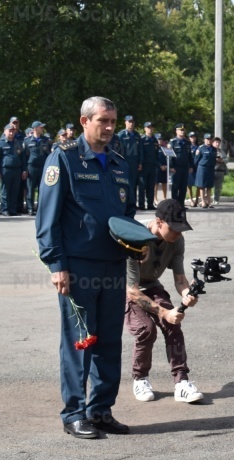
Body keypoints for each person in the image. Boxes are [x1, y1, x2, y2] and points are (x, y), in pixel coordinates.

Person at [35, 96, 135, 439]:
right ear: (84, 121)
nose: (108, 127)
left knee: (109, 341)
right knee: (81, 341)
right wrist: (56, 264)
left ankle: (101, 409)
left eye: (112, 122)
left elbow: (127, 217)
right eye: (102, 121)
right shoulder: (63, 159)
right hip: (78, 267)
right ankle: (74, 413)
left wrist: (139, 242)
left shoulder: (121, 163)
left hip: (113, 265)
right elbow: (47, 219)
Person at [125, 199, 205, 403]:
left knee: (173, 324)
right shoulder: (134, 238)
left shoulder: (176, 240)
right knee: (146, 329)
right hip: (124, 289)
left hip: (151, 284)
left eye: (182, 228)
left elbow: (179, 279)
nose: (179, 233)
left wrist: (187, 293)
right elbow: (133, 291)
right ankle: (140, 378)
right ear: (159, 222)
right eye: (175, 228)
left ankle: (182, 383)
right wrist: (164, 312)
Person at [23, 121, 50, 215]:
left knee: (41, 188)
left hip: (43, 167)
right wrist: (25, 169)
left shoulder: (46, 140)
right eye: (40, 127)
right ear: (35, 129)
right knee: (30, 188)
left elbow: (49, 154)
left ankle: (40, 208)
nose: (42, 129)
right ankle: (30, 208)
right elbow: (24, 156)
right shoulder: (27, 141)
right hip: (31, 167)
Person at [1, 123, 27, 216]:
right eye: (9, 131)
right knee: (5, 190)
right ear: (5, 132)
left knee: (15, 190)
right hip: (6, 170)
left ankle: (12, 209)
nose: (11, 133)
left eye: (13, 131)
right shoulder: (1, 143)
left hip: (17, 170)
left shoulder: (18, 143)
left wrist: (24, 170)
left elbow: (23, 158)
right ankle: (4, 209)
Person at [118, 115, 142, 208]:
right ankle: (124, 202)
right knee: (124, 183)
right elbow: (118, 150)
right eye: (129, 122)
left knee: (134, 184)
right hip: (125, 162)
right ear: (125, 122)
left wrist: (140, 162)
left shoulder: (137, 135)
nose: (131, 123)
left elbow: (140, 150)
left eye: (132, 122)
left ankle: (133, 203)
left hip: (135, 163)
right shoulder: (121, 135)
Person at [169, 124, 193, 206]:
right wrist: (171, 166)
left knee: (183, 187)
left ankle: (181, 204)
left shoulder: (187, 143)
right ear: (176, 131)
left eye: (183, 130)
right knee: (175, 187)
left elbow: (190, 156)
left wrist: (191, 166)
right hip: (176, 167)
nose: (182, 131)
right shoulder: (173, 142)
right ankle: (175, 205)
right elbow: (170, 156)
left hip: (185, 167)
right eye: (180, 130)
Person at [139, 122, 159, 210]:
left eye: (151, 127)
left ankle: (150, 204)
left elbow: (157, 153)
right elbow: (140, 153)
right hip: (144, 165)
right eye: (148, 127)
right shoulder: (142, 139)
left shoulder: (155, 140)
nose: (150, 129)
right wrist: (140, 163)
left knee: (151, 186)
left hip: (152, 165)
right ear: (145, 129)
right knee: (142, 185)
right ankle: (141, 205)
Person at [192, 134, 216, 208]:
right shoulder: (200, 148)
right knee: (202, 186)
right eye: (207, 139)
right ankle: (203, 201)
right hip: (202, 168)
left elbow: (214, 159)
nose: (209, 140)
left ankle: (208, 201)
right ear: (204, 140)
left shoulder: (214, 149)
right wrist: (195, 168)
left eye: (210, 139)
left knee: (209, 186)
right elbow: (196, 160)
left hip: (210, 168)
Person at [211, 137, 228, 206]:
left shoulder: (221, 151)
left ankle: (216, 199)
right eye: (216, 142)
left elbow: (226, 159)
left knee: (218, 187)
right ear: (213, 143)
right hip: (211, 170)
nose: (217, 144)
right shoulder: (210, 150)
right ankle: (207, 199)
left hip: (220, 171)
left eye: (218, 142)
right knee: (208, 186)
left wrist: (222, 160)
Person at [155, 133, 169, 204]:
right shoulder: (155, 148)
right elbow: (155, 158)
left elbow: (168, 158)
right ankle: (155, 198)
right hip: (157, 167)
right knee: (156, 184)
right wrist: (160, 165)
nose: (160, 141)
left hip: (164, 168)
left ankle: (164, 198)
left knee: (164, 183)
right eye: (158, 139)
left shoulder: (164, 148)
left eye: (161, 139)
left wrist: (166, 165)